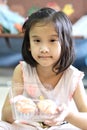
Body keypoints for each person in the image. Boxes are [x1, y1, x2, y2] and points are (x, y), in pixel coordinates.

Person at [0, 7, 87, 130]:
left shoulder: (72, 76)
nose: (44, 48)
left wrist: (68, 115)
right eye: (37, 40)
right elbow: (5, 117)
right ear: (29, 45)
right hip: (27, 126)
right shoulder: (22, 71)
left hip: (60, 126)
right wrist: (18, 107)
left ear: (65, 43)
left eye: (52, 40)